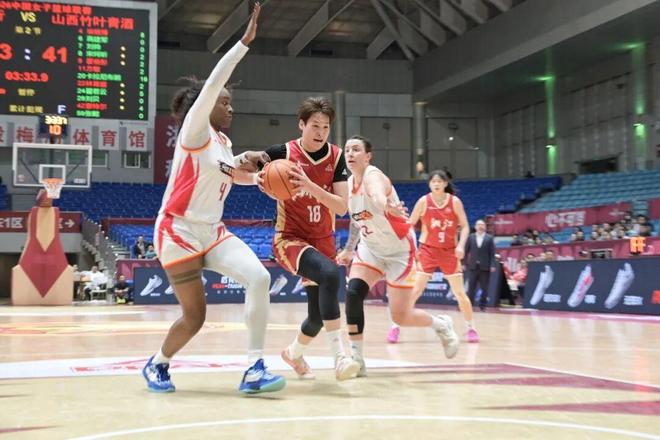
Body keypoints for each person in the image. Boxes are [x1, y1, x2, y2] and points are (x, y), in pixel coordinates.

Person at [142, 3, 286, 395]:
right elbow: (214, 82)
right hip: (178, 232)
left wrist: (257, 174)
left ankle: (254, 368)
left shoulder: (222, 143)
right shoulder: (195, 131)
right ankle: (158, 363)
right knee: (195, 317)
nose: (230, 106)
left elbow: (229, 174)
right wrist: (243, 43)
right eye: (225, 102)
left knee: (259, 277)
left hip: (212, 231)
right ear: (206, 106)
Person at [336, 137, 459, 376]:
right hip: (371, 248)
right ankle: (357, 360)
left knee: (401, 317)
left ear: (368, 156)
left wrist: (385, 205)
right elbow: (356, 219)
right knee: (353, 293)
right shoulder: (348, 185)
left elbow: (377, 195)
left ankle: (441, 325)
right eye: (347, 150)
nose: (350, 153)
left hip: (399, 250)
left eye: (356, 150)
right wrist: (350, 248)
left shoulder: (374, 176)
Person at [260, 96, 360, 381]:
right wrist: (258, 179)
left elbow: (341, 207)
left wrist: (309, 185)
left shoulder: (336, 157)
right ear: (301, 125)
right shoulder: (282, 153)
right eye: (315, 125)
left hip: (323, 239)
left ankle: (292, 354)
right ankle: (340, 358)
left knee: (316, 318)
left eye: (326, 127)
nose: (320, 132)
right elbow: (246, 169)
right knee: (330, 275)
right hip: (290, 238)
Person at [400, 169, 479, 343]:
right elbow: (409, 225)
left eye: (439, 181)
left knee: (459, 293)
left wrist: (461, 245)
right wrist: (413, 248)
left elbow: (465, 226)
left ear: (445, 184)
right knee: (416, 291)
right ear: (429, 184)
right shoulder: (423, 201)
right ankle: (396, 327)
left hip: (449, 251)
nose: (436, 184)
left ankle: (471, 328)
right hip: (428, 250)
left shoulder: (454, 202)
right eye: (433, 181)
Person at [464, 219, 496, 311]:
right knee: (471, 288)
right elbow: (466, 251)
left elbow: (492, 253)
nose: (480, 226)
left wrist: (493, 265)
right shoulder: (471, 237)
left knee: (484, 288)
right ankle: (469, 306)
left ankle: (483, 306)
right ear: (475, 227)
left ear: (485, 227)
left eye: (482, 225)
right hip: (473, 266)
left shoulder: (489, 238)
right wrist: (463, 263)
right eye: (478, 225)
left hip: (485, 267)